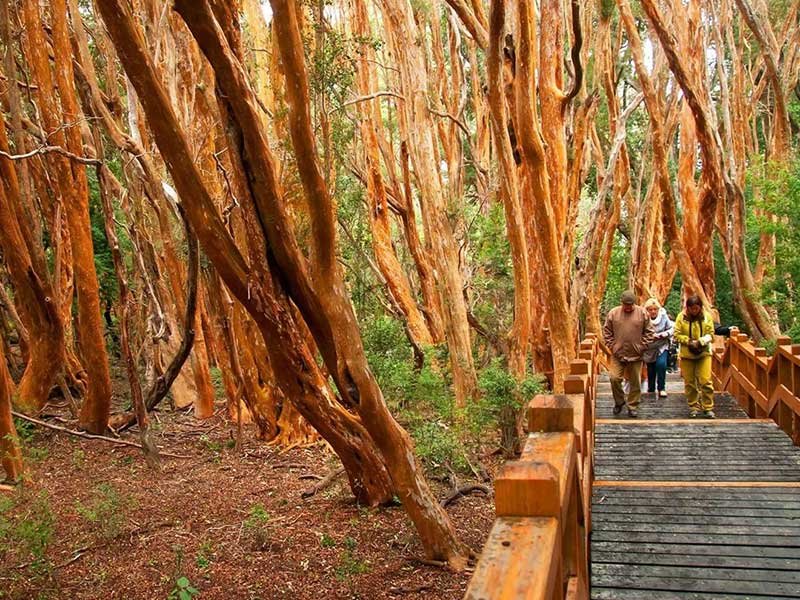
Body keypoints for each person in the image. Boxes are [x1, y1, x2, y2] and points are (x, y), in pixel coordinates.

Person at [603, 290, 655, 418]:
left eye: (631, 304)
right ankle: (619, 401)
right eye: (626, 304)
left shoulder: (642, 313)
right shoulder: (613, 313)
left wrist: (642, 346)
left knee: (635, 381)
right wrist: (612, 346)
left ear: (634, 303)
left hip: (636, 354)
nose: (628, 307)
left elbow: (649, 332)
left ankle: (633, 405)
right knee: (614, 378)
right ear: (622, 303)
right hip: (618, 354)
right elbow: (607, 331)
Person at [673, 295, 716, 418]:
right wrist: (688, 341)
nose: (694, 311)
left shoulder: (706, 317)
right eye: (692, 308)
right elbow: (676, 334)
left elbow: (711, 334)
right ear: (688, 308)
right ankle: (693, 406)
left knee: (705, 380)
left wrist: (701, 341)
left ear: (700, 307)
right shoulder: (681, 318)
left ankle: (708, 407)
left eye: (696, 308)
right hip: (687, 354)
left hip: (704, 353)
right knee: (690, 382)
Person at [642, 298, 673, 398]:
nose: (653, 311)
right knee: (651, 369)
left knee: (661, 365)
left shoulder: (663, 316)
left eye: (655, 309)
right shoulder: (643, 318)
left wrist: (663, 334)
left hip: (661, 346)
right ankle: (651, 389)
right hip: (649, 347)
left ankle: (661, 388)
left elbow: (671, 328)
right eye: (650, 309)